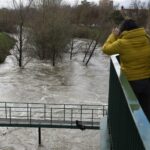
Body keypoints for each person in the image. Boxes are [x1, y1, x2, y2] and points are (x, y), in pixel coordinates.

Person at [102, 19, 150, 121]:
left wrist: (113, 35)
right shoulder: (147, 39)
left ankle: (133, 131)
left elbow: (106, 49)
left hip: (130, 83)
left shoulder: (122, 43)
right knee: (146, 110)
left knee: (131, 112)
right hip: (147, 81)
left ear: (123, 30)